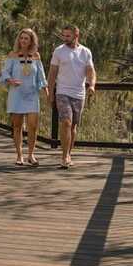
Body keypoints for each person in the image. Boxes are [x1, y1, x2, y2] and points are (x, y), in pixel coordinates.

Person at [0, 28, 49, 166]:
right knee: (17, 126)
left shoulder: (36, 56)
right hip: (16, 93)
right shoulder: (12, 55)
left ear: (31, 40)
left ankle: (31, 155)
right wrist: (10, 80)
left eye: (26, 38)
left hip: (32, 94)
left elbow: (41, 75)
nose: (23, 41)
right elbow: (5, 72)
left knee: (33, 126)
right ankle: (19, 155)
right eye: (22, 38)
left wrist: (45, 89)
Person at [47, 25, 96, 169]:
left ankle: (69, 153)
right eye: (64, 35)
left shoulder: (85, 52)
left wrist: (92, 85)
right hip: (62, 92)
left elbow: (91, 71)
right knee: (66, 123)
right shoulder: (59, 51)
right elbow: (52, 74)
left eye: (68, 36)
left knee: (73, 125)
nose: (65, 38)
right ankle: (64, 157)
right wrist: (50, 93)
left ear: (76, 35)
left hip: (79, 93)